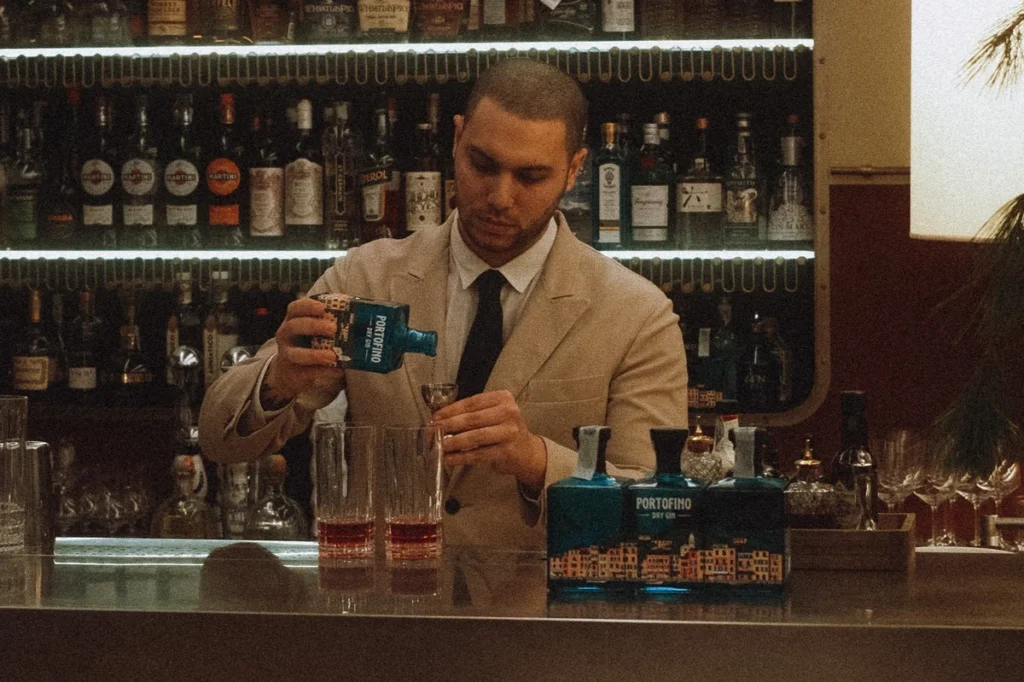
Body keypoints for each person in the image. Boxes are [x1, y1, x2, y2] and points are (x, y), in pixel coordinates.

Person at [199, 59, 688, 551]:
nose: (500, 196)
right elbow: (221, 441)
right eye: (483, 165)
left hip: (545, 616)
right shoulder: (367, 277)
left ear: (575, 169)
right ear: (456, 139)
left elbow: (656, 515)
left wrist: (536, 459)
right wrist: (278, 382)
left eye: (531, 176)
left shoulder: (635, 315)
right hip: (392, 610)